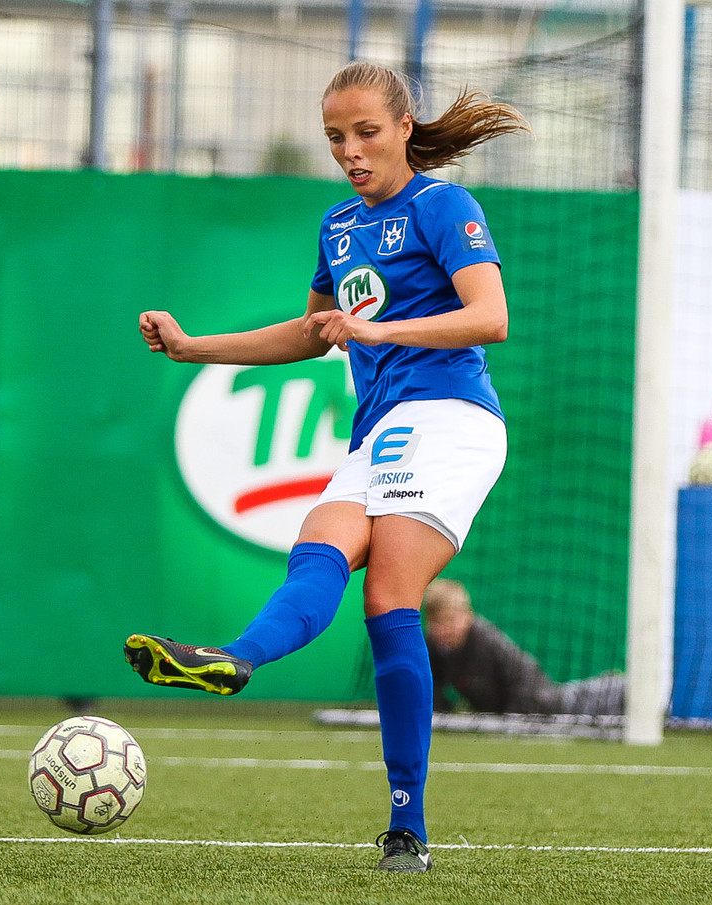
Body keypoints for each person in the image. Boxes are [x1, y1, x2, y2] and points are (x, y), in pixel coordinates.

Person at [124, 60, 530, 873]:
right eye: (336, 137)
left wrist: (382, 330)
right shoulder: (339, 225)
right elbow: (313, 332)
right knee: (318, 547)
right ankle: (236, 658)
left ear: (404, 128)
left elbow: (491, 317)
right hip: (380, 430)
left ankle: (407, 828)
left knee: (387, 596)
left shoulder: (444, 206)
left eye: (366, 132)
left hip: (451, 417)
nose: (349, 150)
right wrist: (194, 347)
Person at [423, 578, 625, 716]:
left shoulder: (486, 642)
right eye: (437, 622)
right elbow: (433, 693)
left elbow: (522, 686)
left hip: (544, 708)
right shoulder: (433, 648)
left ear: (467, 616)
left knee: (595, 699)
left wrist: (509, 724)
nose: (443, 629)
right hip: (527, 708)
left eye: (450, 620)